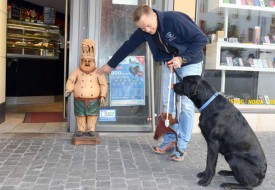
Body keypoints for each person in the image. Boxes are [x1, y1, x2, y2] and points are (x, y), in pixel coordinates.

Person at [96, 5, 208, 161]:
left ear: (154, 15)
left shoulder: (174, 20)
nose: (147, 30)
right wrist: (110, 65)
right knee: (166, 103)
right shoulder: (144, 30)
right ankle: (170, 140)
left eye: (148, 26)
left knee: (186, 104)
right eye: (143, 28)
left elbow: (202, 39)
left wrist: (183, 58)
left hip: (190, 61)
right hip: (170, 62)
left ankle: (181, 145)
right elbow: (128, 45)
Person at [66, 39, 108, 137]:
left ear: (93, 61)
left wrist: (102, 95)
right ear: (82, 61)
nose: (87, 63)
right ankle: (81, 129)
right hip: (79, 99)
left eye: (89, 61)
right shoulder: (76, 71)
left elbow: (103, 84)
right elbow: (71, 81)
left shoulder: (98, 72)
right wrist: (68, 89)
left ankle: (91, 129)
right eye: (85, 61)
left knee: (92, 115)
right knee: (80, 115)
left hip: (94, 99)